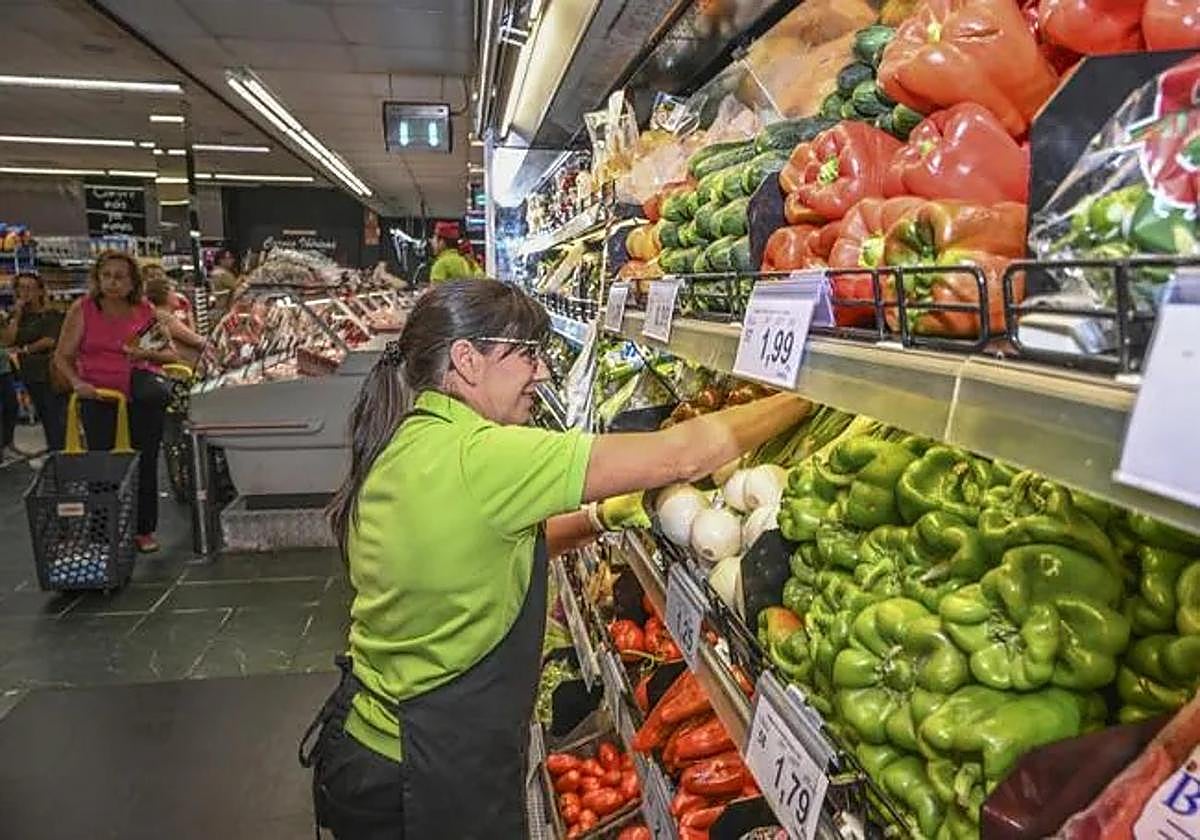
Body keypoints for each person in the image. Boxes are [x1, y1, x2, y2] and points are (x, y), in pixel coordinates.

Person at [299, 279, 811, 839]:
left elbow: (489, 542)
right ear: (468, 360)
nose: (541, 373)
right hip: (428, 775)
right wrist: (811, 392)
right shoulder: (485, 456)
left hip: (372, 747)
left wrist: (599, 518)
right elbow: (684, 454)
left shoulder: (408, 438)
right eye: (526, 355)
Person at [54, 250, 196, 554]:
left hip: (141, 393)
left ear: (133, 282)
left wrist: (145, 354)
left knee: (145, 461)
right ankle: (103, 532)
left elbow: (171, 354)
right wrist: (78, 384)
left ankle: (144, 530)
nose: (112, 283)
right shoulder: (84, 310)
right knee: (102, 464)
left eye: (120, 277)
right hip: (99, 395)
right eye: (106, 276)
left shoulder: (143, 311)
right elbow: (62, 357)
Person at [1, 272, 65, 460]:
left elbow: (50, 340)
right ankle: (53, 450)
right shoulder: (15, 316)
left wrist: (25, 349)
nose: (25, 292)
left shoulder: (50, 314)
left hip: (49, 372)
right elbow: (8, 340)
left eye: (30, 288)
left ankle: (59, 453)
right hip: (29, 373)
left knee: (54, 415)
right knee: (44, 414)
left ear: (40, 291)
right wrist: (17, 316)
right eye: (21, 288)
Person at [144, 275, 206, 366]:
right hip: (188, 369)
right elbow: (197, 341)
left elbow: (192, 335)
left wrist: (189, 311)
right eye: (174, 291)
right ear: (165, 295)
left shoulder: (159, 314)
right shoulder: (164, 316)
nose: (177, 296)